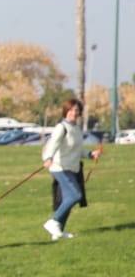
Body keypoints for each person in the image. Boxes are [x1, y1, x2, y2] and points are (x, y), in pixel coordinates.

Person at [41, 98, 99, 241]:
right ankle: (53, 222)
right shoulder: (62, 127)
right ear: (66, 111)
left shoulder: (77, 129)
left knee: (68, 199)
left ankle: (58, 232)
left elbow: (78, 150)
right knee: (75, 196)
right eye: (71, 110)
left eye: (77, 110)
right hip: (59, 167)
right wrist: (48, 157)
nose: (74, 112)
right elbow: (52, 144)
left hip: (73, 168)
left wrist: (91, 154)